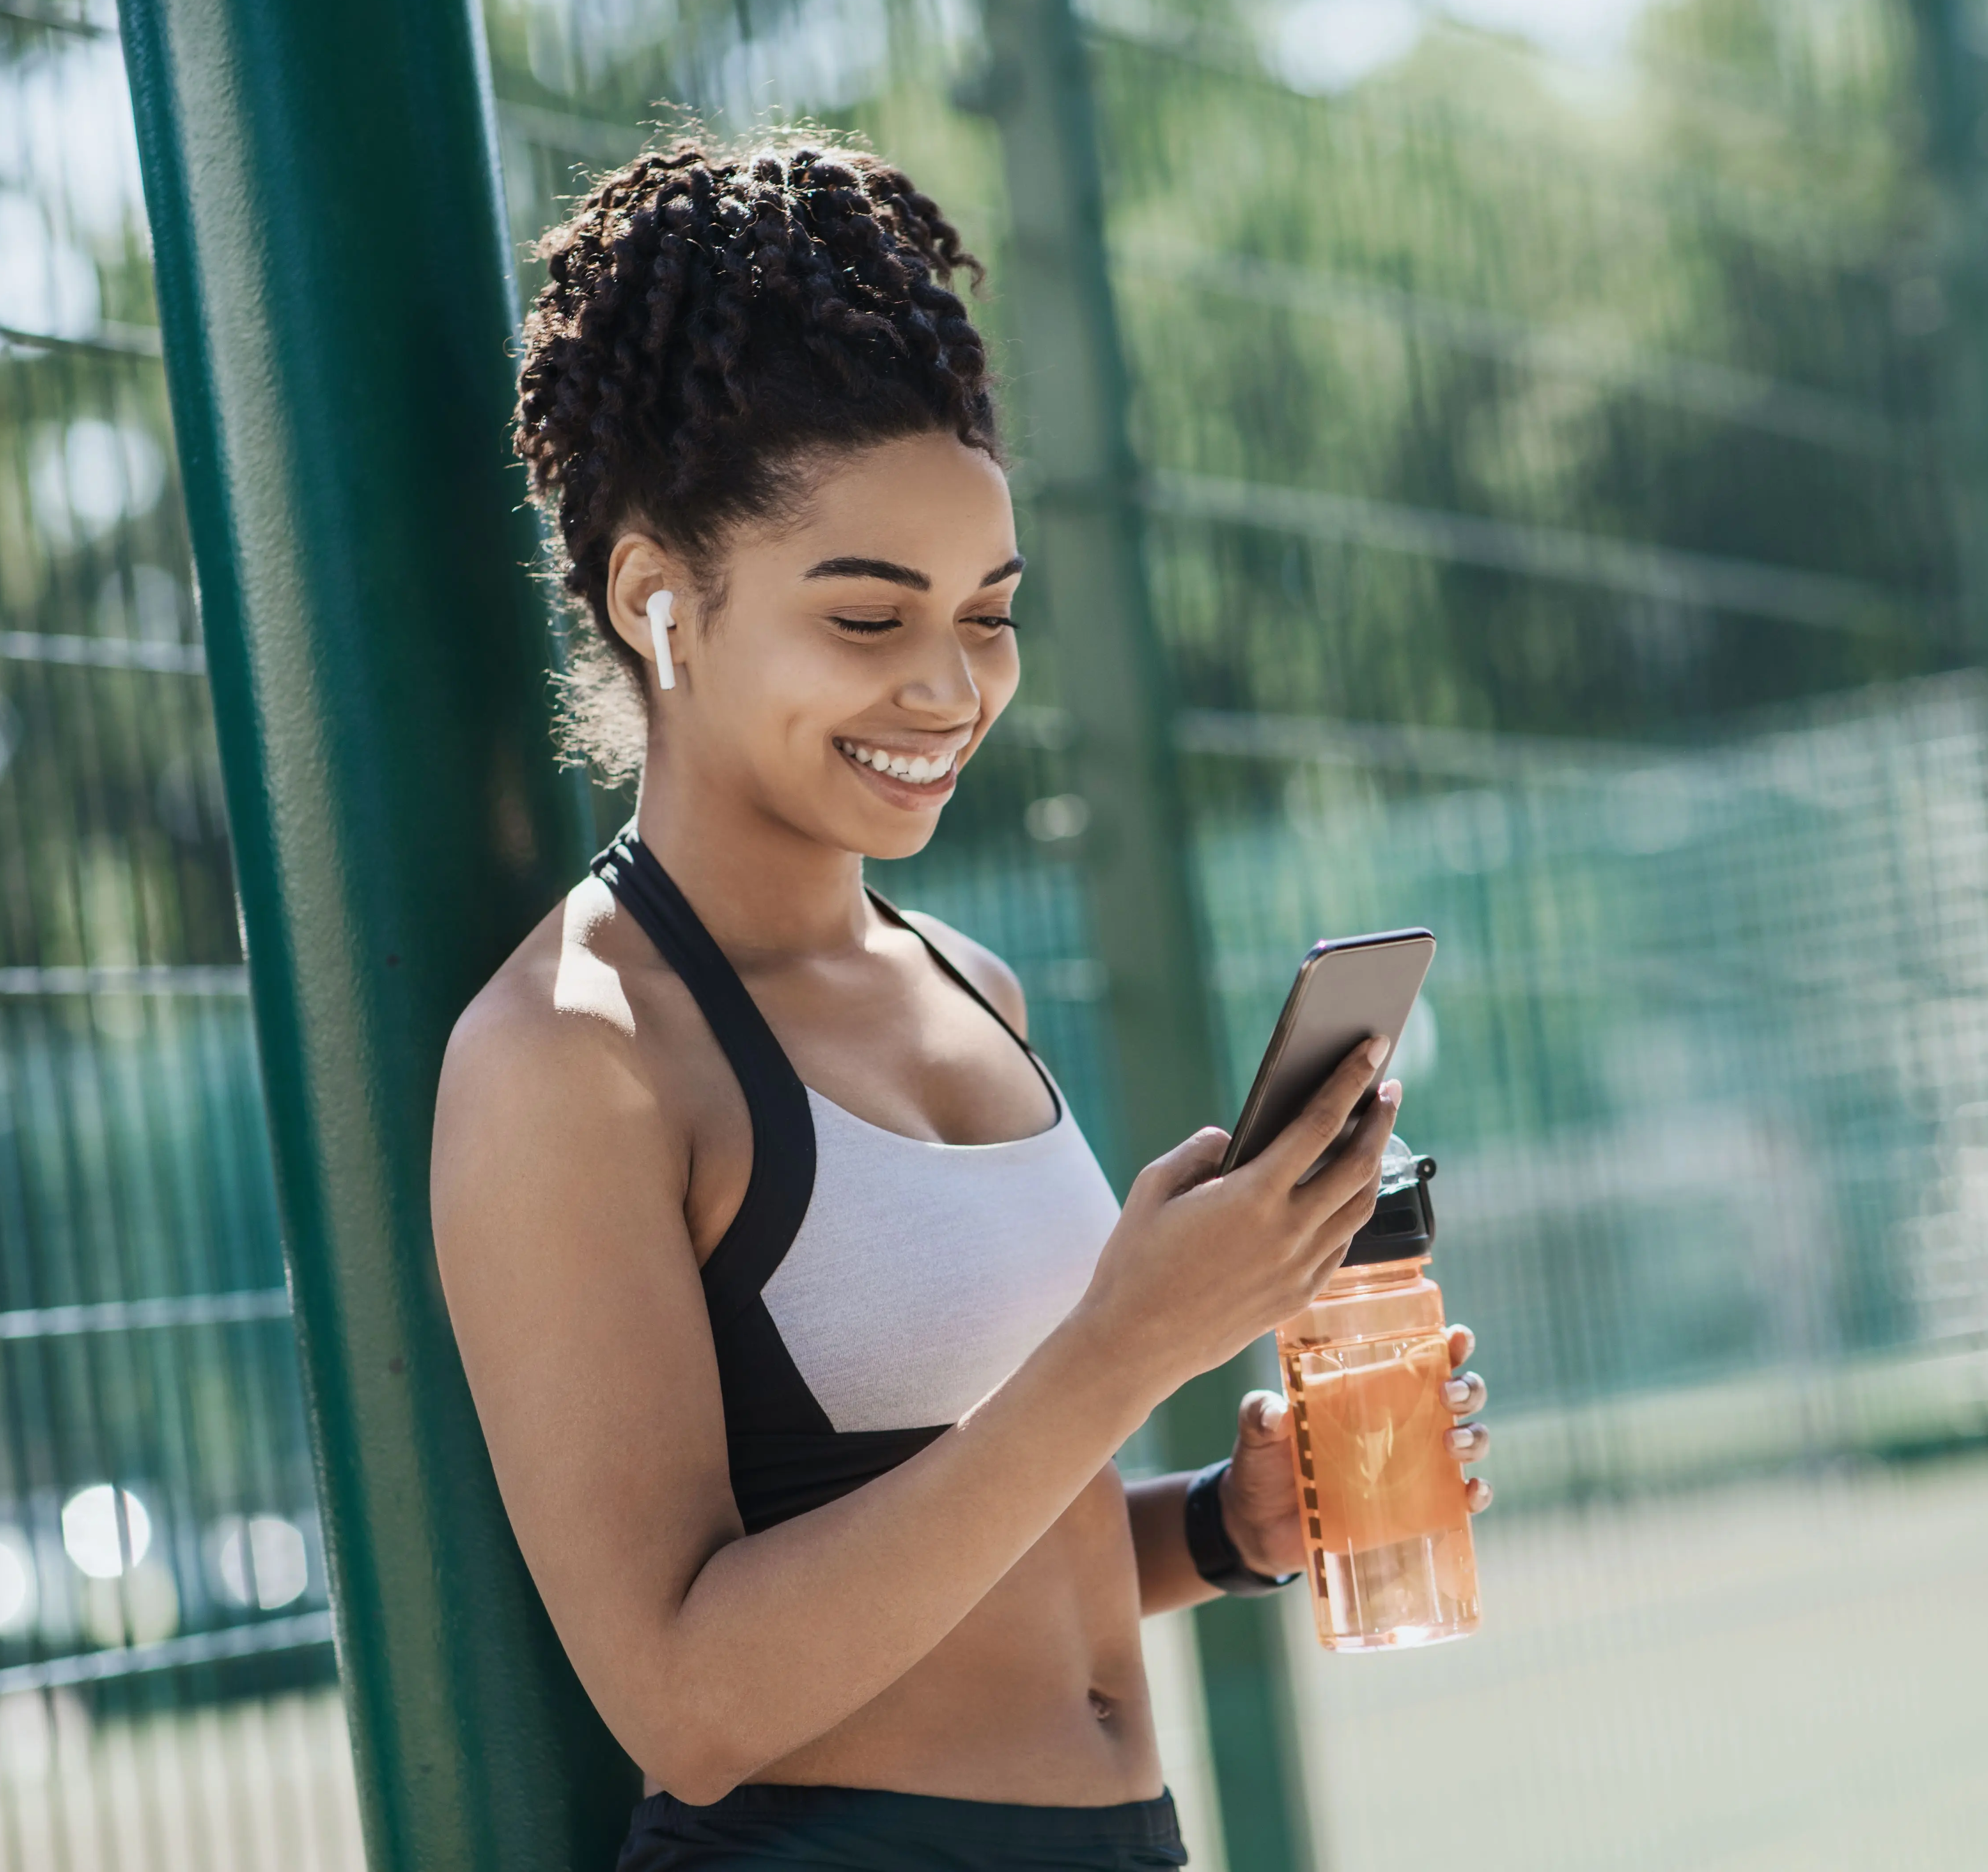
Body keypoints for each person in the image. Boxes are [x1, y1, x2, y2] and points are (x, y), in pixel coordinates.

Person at [432, 133, 1493, 1872]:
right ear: (658, 601)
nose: (948, 686)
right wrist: (1130, 1340)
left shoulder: (962, 986)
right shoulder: (577, 1053)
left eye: (988, 616)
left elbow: (989, 1529)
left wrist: (1220, 1526)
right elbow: (692, 1698)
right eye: (867, 617)